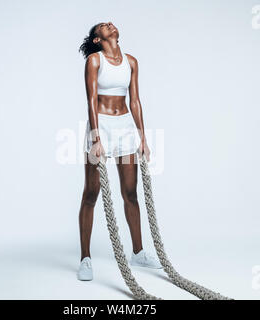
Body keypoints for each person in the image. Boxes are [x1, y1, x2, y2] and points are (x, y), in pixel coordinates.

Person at [77, 22, 162, 281]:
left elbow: (134, 100)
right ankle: (85, 258)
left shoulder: (131, 61)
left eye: (109, 23)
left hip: (124, 127)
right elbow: (91, 99)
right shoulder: (94, 60)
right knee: (91, 194)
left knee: (130, 193)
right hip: (101, 125)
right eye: (102, 26)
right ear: (96, 39)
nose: (108, 24)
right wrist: (96, 138)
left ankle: (138, 252)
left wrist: (142, 137)